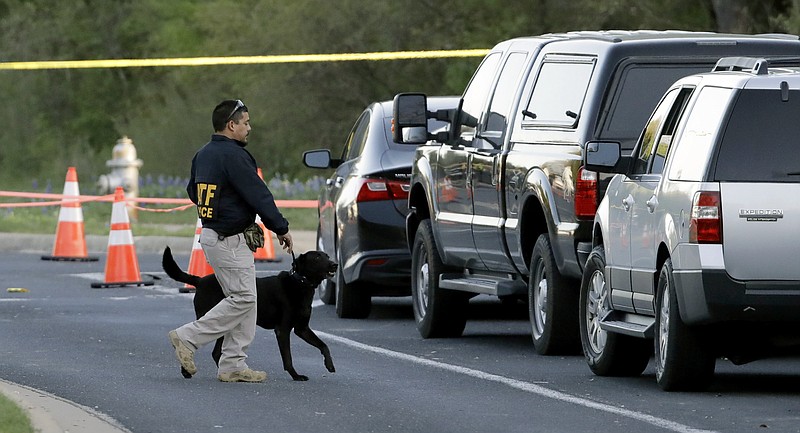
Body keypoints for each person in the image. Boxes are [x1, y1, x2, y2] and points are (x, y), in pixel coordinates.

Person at [169, 99, 293, 382]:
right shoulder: (234, 156)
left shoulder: (203, 154)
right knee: (244, 298)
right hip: (229, 239)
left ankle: (233, 365)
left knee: (248, 301)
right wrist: (280, 227)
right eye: (246, 122)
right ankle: (187, 338)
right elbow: (258, 194)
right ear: (231, 125)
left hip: (214, 235)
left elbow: (193, 191)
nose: (249, 128)